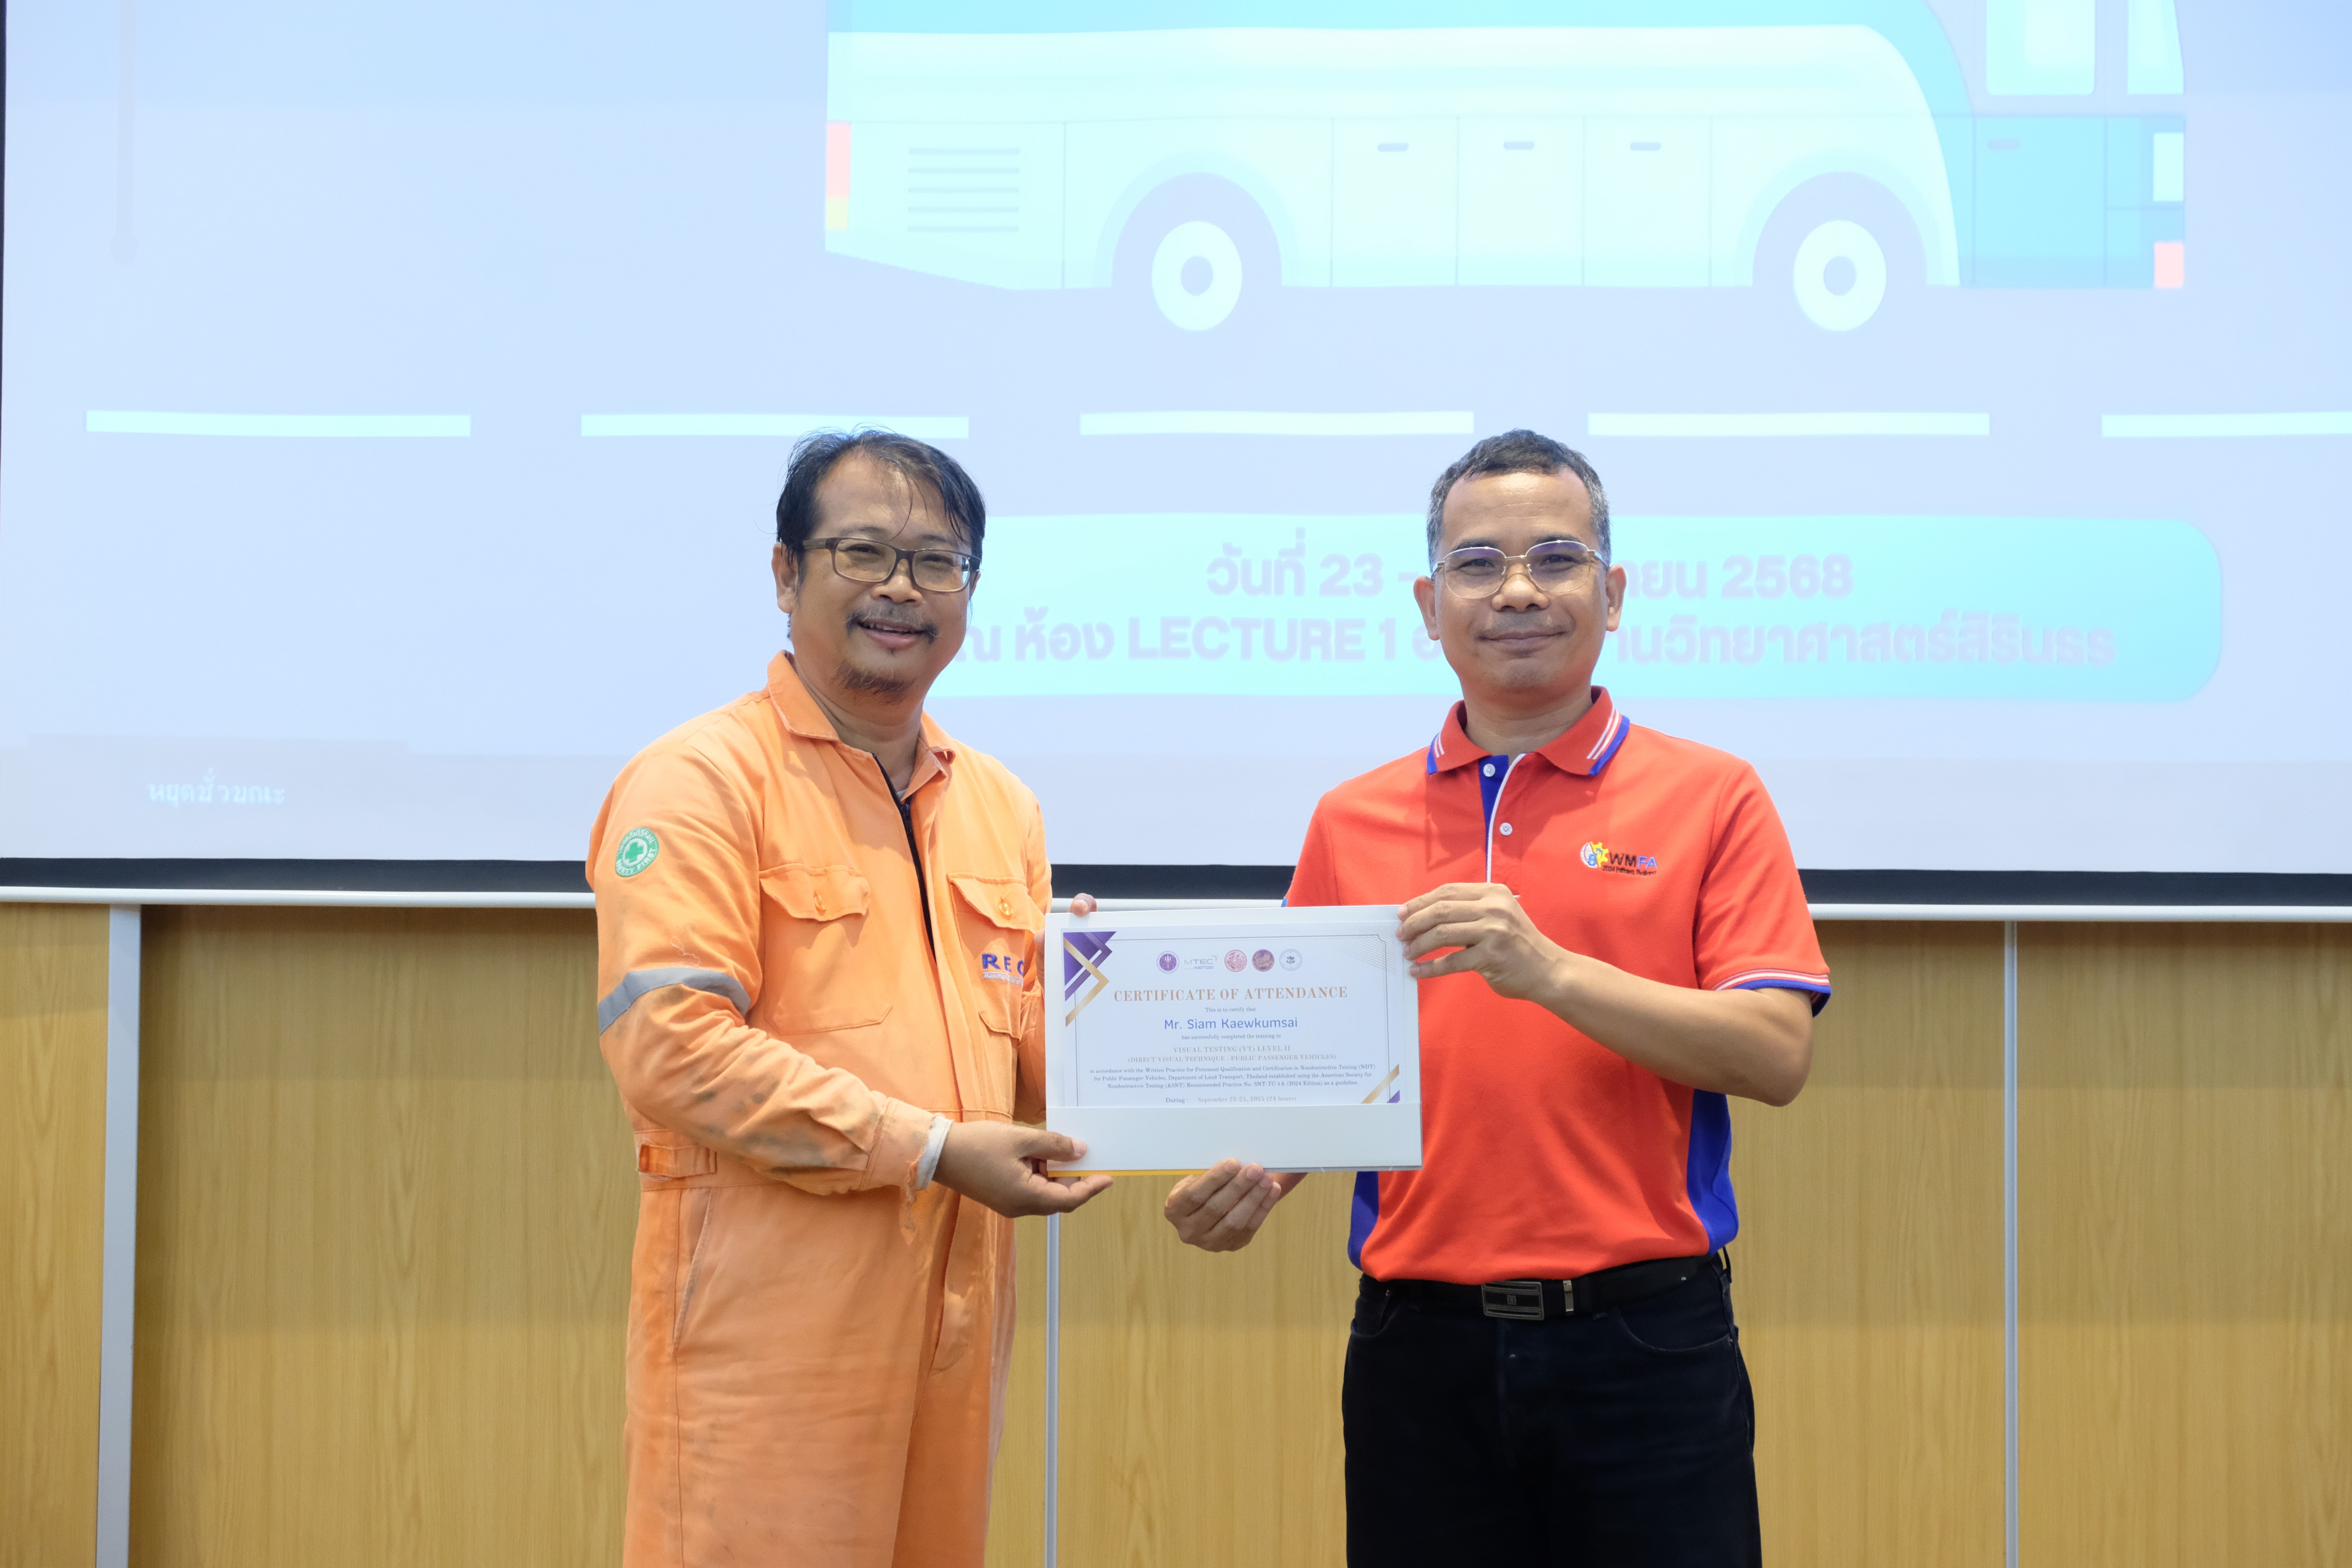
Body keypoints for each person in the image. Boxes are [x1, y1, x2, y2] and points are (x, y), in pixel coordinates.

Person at [1162, 430, 1830, 1566]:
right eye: (1477, 565)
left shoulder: (1713, 794)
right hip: (1417, 1348)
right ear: (1430, 607)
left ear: (1613, 594)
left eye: (1556, 559)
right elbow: (1319, 1065)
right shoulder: (1351, 818)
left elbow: (1774, 1055)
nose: (1517, 591)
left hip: (1645, 1343)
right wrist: (1262, 1172)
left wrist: (1552, 973)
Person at [589, 430, 1111, 1568]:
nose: (901, 589)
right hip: (764, 1341)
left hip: (953, 1330)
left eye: (937, 562)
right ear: (786, 574)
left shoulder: (1000, 805)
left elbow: (1032, 1063)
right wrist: (928, 1149)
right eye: (863, 552)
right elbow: (671, 1046)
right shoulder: (700, 781)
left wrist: (1136, 1032)